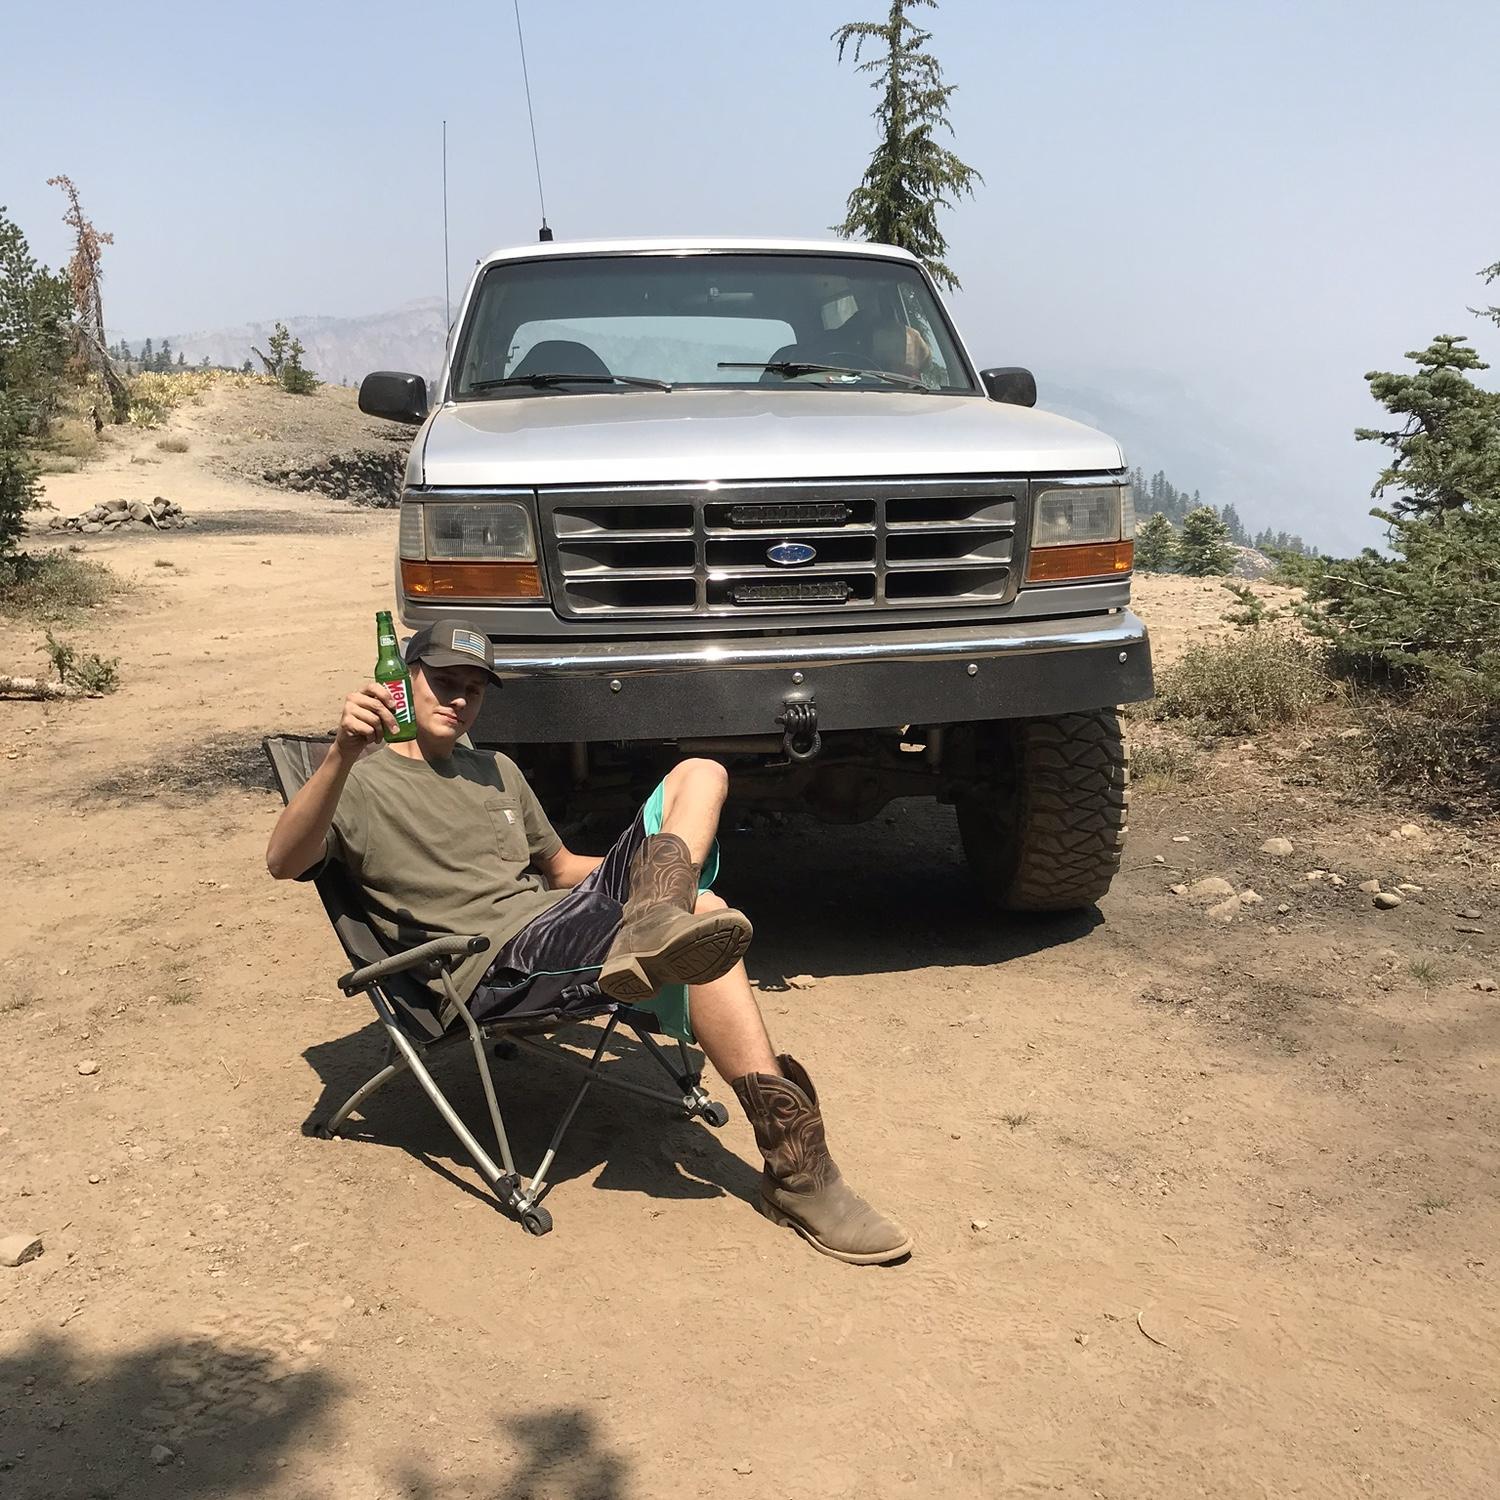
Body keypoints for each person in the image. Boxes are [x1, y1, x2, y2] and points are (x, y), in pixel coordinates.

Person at [266, 617, 910, 1265]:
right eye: (443, 681)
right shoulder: (356, 780)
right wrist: (341, 753)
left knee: (701, 772)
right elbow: (284, 861)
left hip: (556, 921)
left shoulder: (496, 769)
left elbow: (561, 867)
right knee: (704, 910)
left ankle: (657, 918)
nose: (459, 699)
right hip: (493, 965)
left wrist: (650, 869)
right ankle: (800, 1173)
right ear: (403, 680)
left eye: (474, 689)